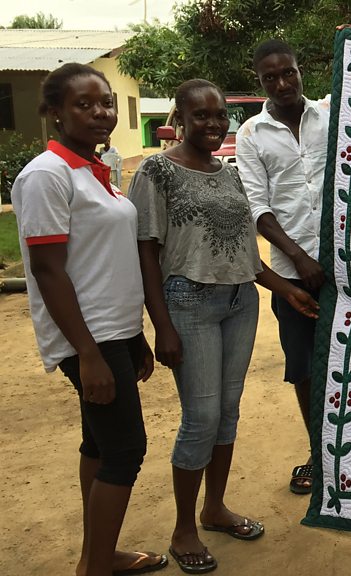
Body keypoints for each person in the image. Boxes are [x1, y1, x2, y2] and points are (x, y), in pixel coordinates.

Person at [128, 78, 319, 574]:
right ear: (179, 118)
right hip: (188, 304)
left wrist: (286, 289)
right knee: (200, 418)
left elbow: (244, 257)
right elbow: (145, 251)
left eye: (220, 115)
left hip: (240, 303)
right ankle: (183, 529)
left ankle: (214, 509)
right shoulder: (156, 171)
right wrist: (161, 324)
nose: (213, 123)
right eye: (201, 115)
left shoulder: (228, 173)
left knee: (227, 414)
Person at [11, 63, 167, 576]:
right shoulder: (46, 175)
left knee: (99, 444)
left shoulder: (93, 172)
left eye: (106, 103)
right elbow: (48, 271)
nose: (100, 112)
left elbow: (104, 263)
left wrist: (134, 336)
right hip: (89, 338)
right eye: (84, 104)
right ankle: (96, 567)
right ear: (55, 112)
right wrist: (89, 354)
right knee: (126, 450)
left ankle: (96, 555)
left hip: (112, 333)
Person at [235, 39, 331, 495]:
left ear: (300, 69)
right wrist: (299, 256)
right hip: (294, 275)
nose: (281, 83)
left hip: (345, 265)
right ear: (260, 82)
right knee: (306, 367)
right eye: (269, 77)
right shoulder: (251, 134)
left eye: (287, 72)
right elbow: (258, 208)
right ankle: (320, 454)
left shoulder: (330, 116)